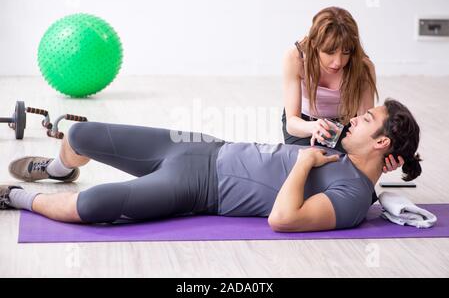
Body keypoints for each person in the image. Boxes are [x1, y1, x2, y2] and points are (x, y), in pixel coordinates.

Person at [0, 99, 422, 232]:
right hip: (202, 147)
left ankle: (17, 196)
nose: (355, 119)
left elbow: (283, 219)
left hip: (200, 187)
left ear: (381, 142)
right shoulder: (338, 144)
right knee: (79, 134)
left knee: (90, 208)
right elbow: (294, 126)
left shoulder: (350, 200)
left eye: (366, 120)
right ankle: (58, 169)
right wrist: (308, 142)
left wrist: (305, 162)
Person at [281, 6, 404, 173]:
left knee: (348, 173)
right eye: (330, 52)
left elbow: (366, 126)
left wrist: (379, 160)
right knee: (309, 171)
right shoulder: (295, 58)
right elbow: (292, 123)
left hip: (347, 126)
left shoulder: (364, 67)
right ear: (315, 44)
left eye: (346, 52)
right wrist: (313, 128)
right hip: (304, 124)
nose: (338, 62)